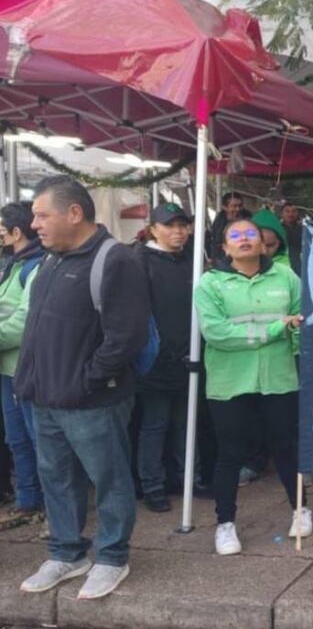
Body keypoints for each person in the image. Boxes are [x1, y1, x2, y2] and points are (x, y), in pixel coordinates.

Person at [17, 175, 151, 599]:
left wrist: (86, 380)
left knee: (108, 477)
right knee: (55, 478)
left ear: (74, 213)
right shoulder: (52, 258)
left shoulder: (115, 260)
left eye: (42, 215)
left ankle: (112, 556)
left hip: (92, 399)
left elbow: (126, 337)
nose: (34, 223)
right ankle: (67, 553)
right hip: (45, 397)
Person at [194, 218, 310, 555]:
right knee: (229, 453)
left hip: (279, 378)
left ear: (263, 242)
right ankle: (225, 523)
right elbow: (216, 334)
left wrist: (298, 336)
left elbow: (301, 320)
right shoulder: (210, 284)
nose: (244, 240)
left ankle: (300, 509)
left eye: (251, 234)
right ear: (224, 247)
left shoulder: (286, 277)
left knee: (286, 447)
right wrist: (275, 330)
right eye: (236, 235)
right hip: (230, 382)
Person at [134, 203, 195, 513]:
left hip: (189, 357)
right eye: (170, 225)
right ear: (153, 228)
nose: (178, 231)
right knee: (155, 424)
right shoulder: (139, 260)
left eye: (182, 225)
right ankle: (152, 485)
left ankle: (185, 478)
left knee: (185, 423)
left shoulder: (192, 260)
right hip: (154, 360)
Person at [0, 202, 46, 531]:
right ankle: (27, 501)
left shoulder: (36, 266)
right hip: (7, 369)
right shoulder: (14, 265)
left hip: (28, 370)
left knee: (38, 439)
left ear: (18, 233)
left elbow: (22, 323)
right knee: (17, 438)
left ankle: (50, 506)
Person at [206, 192, 250, 262]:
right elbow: (215, 242)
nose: (237, 209)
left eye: (240, 206)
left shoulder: (248, 218)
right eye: (234, 206)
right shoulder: (219, 222)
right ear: (224, 207)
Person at [280, 203, 302, 275]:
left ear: (298, 213)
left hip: (300, 265)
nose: (290, 214)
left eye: (293, 211)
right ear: (282, 214)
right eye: (287, 211)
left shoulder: (304, 230)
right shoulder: (277, 230)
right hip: (283, 265)